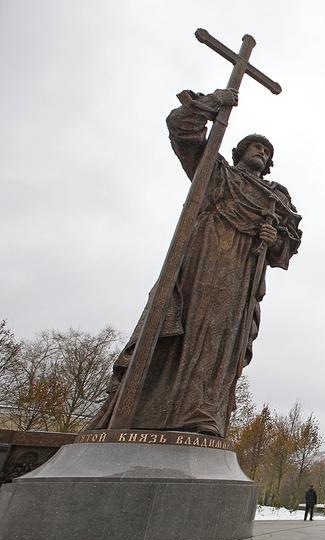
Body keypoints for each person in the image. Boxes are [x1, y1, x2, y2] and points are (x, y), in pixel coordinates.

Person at [87, 88, 302, 437]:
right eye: (255, 146)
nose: (261, 152)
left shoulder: (274, 197)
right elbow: (182, 131)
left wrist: (272, 237)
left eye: (266, 151)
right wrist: (214, 103)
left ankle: (200, 411)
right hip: (199, 261)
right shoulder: (217, 173)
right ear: (239, 152)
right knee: (175, 327)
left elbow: (286, 244)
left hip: (240, 274)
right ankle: (140, 410)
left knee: (220, 338)